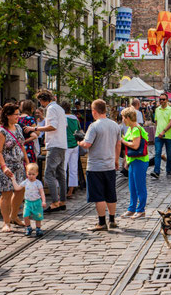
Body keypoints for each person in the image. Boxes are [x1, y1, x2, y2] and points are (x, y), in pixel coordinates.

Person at [78, 99, 122, 231]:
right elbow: (118, 144)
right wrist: (115, 160)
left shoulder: (94, 126)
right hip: (109, 165)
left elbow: (87, 144)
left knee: (99, 195)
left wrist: (80, 142)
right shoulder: (115, 125)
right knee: (110, 193)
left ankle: (102, 222)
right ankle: (113, 220)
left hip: (96, 166)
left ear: (94, 111)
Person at [24, 90, 67, 213]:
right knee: (60, 174)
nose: (40, 104)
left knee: (49, 173)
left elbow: (53, 126)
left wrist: (35, 128)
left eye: (40, 101)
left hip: (55, 144)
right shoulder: (59, 108)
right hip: (61, 143)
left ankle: (54, 203)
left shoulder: (51, 109)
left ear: (43, 100)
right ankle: (62, 201)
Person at [0, 103, 28, 232]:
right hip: (5, 166)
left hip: (18, 164)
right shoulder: (0, 132)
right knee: (7, 192)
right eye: (16, 114)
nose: (18, 116)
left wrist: (27, 163)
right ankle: (6, 222)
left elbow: (22, 145)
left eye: (18, 113)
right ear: (7, 115)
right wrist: (4, 167)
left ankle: (14, 216)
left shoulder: (17, 127)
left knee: (20, 190)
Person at [120, 106, 150, 219]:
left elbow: (135, 145)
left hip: (140, 160)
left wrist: (123, 141)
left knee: (139, 186)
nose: (122, 120)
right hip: (133, 160)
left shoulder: (136, 129)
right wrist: (127, 161)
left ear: (127, 118)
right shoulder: (131, 129)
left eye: (123, 117)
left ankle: (141, 210)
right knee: (132, 186)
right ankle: (131, 209)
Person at [8, 163, 46, 237]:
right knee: (25, 215)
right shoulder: (25, 182)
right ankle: (28, 227)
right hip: (28, 202)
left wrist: (43, 201)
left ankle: (38, 229)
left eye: (33, 174)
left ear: (37, 174)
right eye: (29, 174)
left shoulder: (38, 183)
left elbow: (42, 193)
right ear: (26, 173)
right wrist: (13, 180)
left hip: (37, 202)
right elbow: (17, 188)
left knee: (38, 217)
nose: (31, 176)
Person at [61, 101, 81, 198]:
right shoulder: (75, 118)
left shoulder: (63, 118)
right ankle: (71, 190)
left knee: (63, 168)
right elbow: (78, 130)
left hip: (66, 145)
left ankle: (62, 191)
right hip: (75, 144)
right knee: (73, 168)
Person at [153, 94, 171, 178]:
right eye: (160, 99)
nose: (161, 101)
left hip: (168, 135)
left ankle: (168, 170)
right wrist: (158, 131)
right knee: (157, 153)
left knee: (169, 154)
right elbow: (156, 122)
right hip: (158, 135)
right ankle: (156, 171)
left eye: (163, 99)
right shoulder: (157, 109)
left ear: (167, 100)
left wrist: (164, 131)